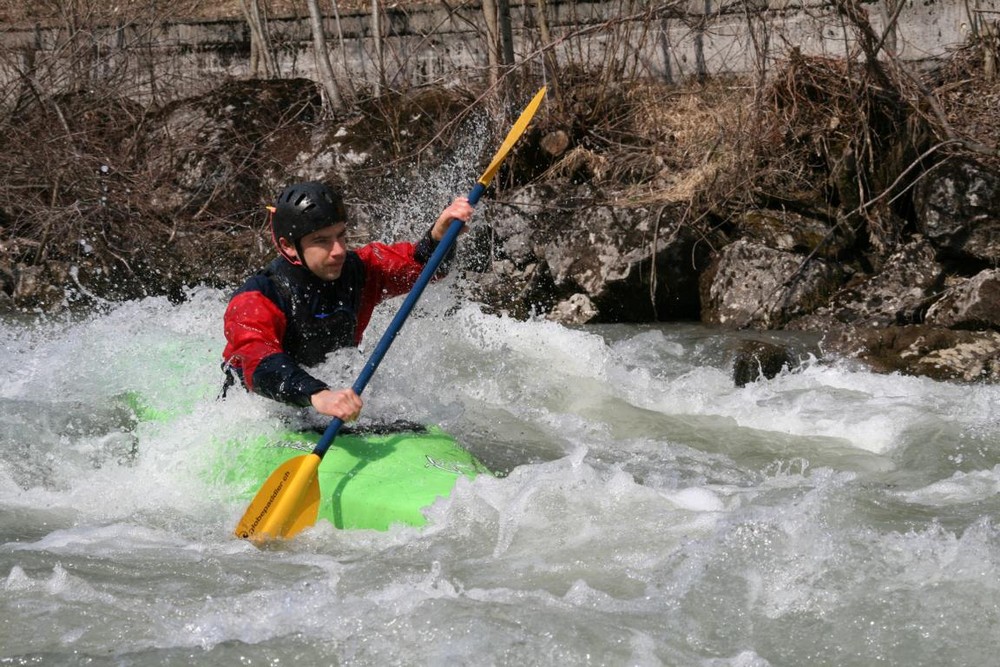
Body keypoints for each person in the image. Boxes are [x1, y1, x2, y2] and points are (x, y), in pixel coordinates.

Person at [221, 180, 474, 421]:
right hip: (260, 407)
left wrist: (440, 235)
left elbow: (423, 268)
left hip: (327, 397)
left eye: (341, 235)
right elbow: (258, 361)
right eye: (321, 241)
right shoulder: (257, 297)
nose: (339, 250)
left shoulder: (360, 269)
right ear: (288, 246)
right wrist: (316, 394)